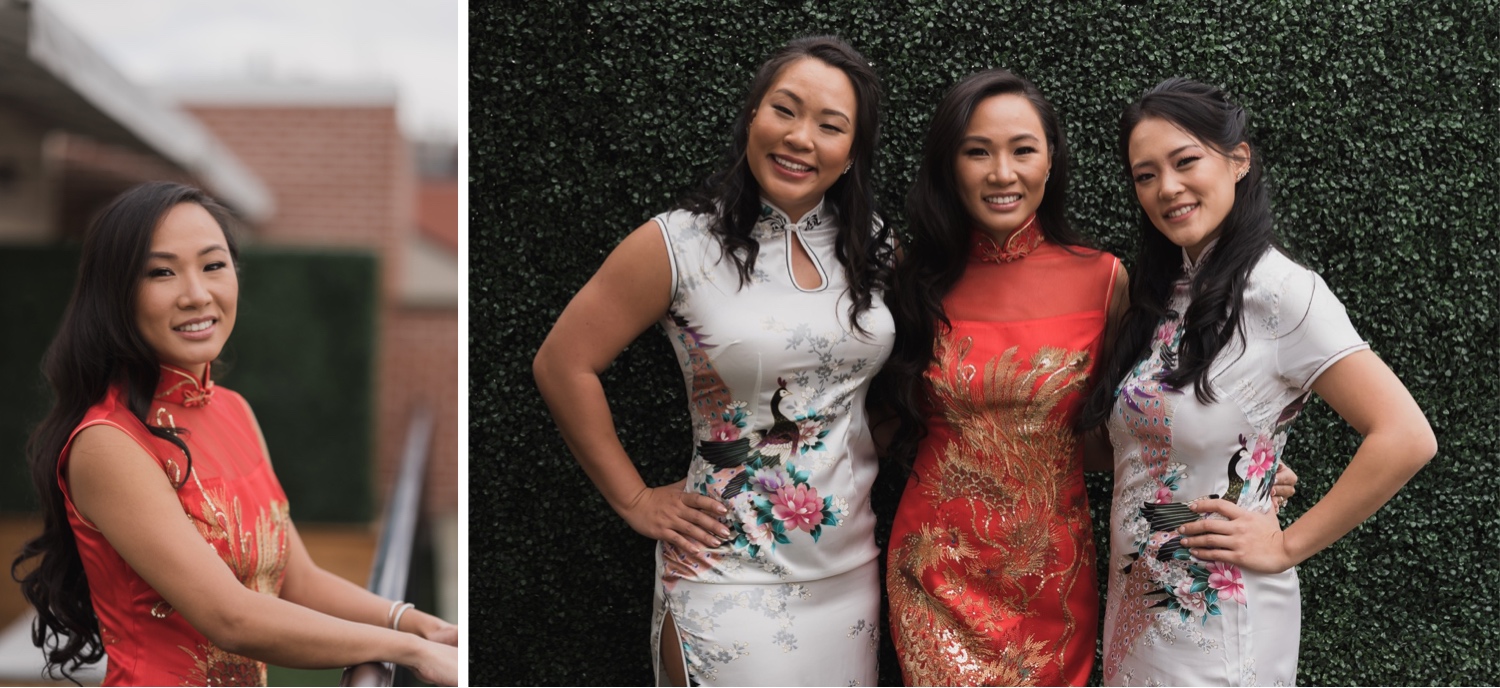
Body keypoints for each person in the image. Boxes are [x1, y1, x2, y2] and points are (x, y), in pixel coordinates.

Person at [532, 36, 893, 686]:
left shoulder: (875, 248)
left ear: (850, 155)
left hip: (850, 580)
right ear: (752, 116)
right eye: (785, 109)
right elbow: (563, 364)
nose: (801, 137)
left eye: (830, 125)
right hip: (729, 579)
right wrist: (636, 498)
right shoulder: (678, 244)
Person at [11, 182, 458, 686]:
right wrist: (407, 650)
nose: (197, 294)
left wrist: (419, 623)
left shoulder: (235, 411)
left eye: (213, 264)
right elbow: (230, 617)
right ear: (115, 295)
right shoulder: (108, 444)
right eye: (161, 272)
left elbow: (296, 578)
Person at [1084, 77, 1436, 685]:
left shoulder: (1280, 293)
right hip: (1138, 616)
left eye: (1186, 160)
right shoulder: (1163, 295)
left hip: (1222, 625)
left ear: (1239, 158)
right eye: (1145, 175)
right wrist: (1252, 465)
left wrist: (1286, 546)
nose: (1168, 188)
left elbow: (1406, 436)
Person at [879, 69, 1127, 686]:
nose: (1001, 173)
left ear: (1050, 161)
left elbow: (1137, 420)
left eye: (1022, 149)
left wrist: (1240, 463)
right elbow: (873, 417)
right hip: (935, 568)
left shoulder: (1104, 280)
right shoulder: (913, 282)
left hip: (1053, 576)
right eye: (977, 151)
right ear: (950, 165)